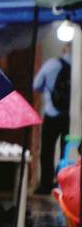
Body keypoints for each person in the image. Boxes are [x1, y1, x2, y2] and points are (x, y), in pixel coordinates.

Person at [34, 42, 70, 193]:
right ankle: (65, 183)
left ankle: (46, 184)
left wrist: (48, 90)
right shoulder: (79, 66)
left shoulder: (52, 64)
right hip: (71, 116)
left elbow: (36, 85)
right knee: (67, 150)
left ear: (64, 49)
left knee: (47, 151)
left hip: (51, 113)